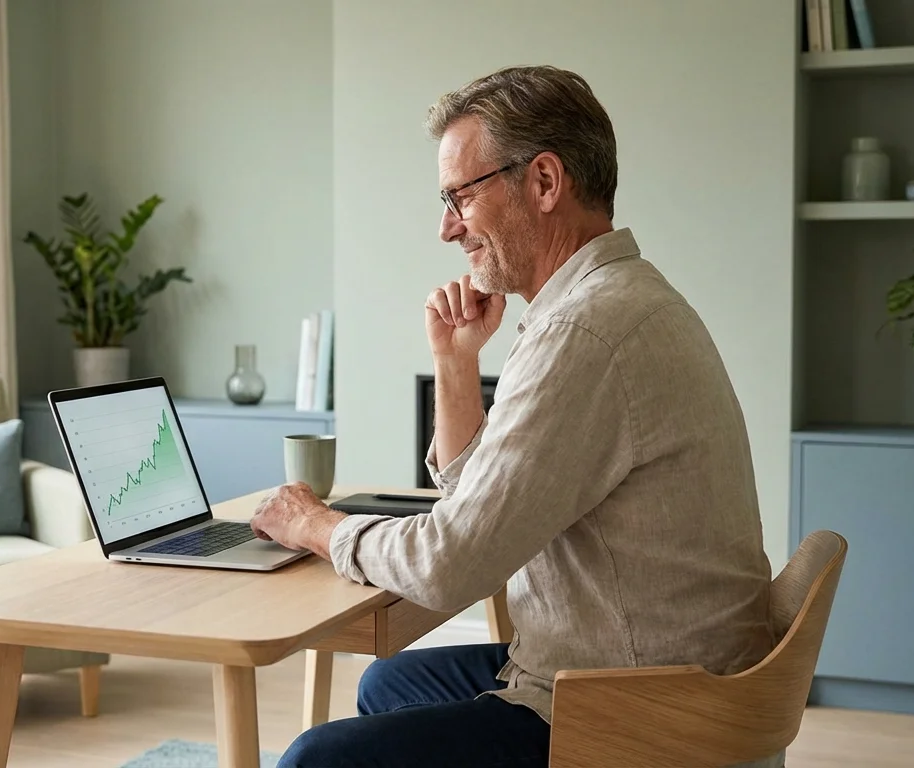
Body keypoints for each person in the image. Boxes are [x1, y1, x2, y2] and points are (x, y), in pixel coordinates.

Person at [250, 64, 776, 768]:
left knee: (315, 760)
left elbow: (447, 565)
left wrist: (315, 524)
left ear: (545, 183)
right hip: (652, 673)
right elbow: (484, 507)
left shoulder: (586, 334)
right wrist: (457, 362)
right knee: (390, 683)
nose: (446, 228)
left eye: (459, 197)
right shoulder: (615, 300)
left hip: (637, 714)